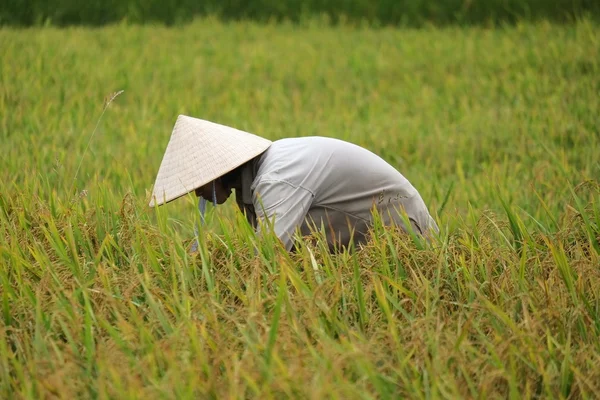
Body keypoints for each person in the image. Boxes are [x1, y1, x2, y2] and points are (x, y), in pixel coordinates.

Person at [150, 115, 438, 252]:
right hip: (360, 245)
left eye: (199, 182)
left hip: (404, 234)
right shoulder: (250, 188)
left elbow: (269, 259)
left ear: (219, 169)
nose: (198, 192)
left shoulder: (275, 179)